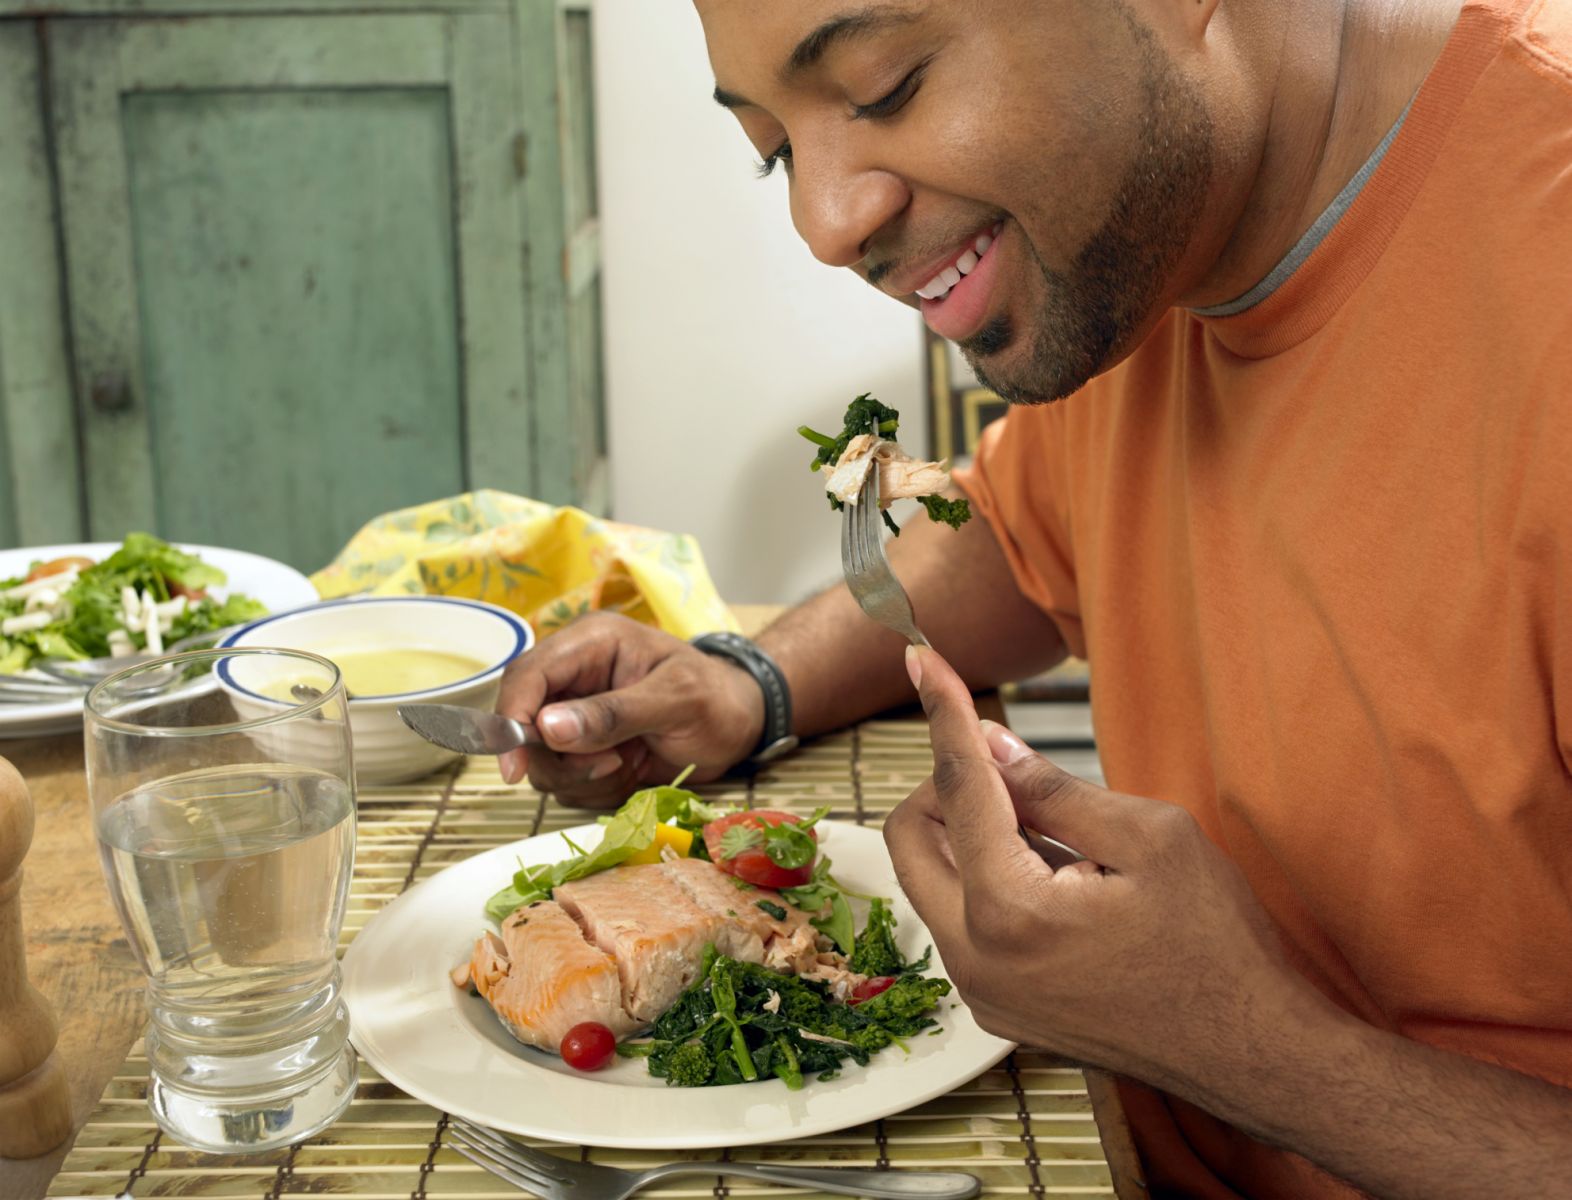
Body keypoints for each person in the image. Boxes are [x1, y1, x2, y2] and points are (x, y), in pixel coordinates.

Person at [495, 0, 1572, 1195]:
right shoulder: (1149, 246)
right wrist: (751, 681)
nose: (826, 222)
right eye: (778, 153)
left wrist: (1245, 1046)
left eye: (888, 86)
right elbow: (1018, 533)